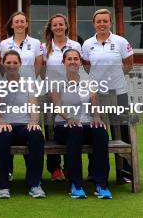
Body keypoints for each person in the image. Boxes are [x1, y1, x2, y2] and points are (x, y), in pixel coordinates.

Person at [81, 8, 134, 184]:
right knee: (95, 133)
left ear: (110, 22)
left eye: (105, 21)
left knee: (122, 134)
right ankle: (94, 172)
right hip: (96, 96)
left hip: (119, 94)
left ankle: (124, 173)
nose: (102, 24)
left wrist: (113, 79)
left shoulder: (120, 41)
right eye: (99, 21)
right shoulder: (87, 44)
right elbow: (87, 67)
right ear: (94, 24)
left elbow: (128, 65)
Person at [51, 49, 112, 199]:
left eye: (76, 59)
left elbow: (95, 102)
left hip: (85, 125)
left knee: (100, 132)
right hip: (64, 126)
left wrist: (97, 117)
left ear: (80, 62)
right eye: (69, 59)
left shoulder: (88, 80)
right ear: (63, 62)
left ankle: (101, 185)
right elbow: (57, 105)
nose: (73, 61)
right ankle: (76, 185)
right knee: (75, 130)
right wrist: (69, 118)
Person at [0, 50, 45, 199]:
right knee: (4, 135)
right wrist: (2, 123)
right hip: (4, 125)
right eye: (8, 62)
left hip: (23, 125)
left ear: (20, 64)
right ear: (3, 64)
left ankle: (34, 184)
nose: (12, 65)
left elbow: (34, 108)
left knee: (37, 134)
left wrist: (33, 122)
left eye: (15, 62)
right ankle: (3, 185)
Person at [41, 13, 81, 182]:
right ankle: (54, 168)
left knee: (72, 126)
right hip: (52, 92)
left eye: (61, 24)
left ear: (66, 26)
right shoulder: (44, 47)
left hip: (70, 91)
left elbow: (78, 66)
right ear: (51, 28)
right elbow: (41, 69)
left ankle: (68, 167)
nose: (58, 27)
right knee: (51, 130)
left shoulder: (75, 45)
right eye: (54, 25)